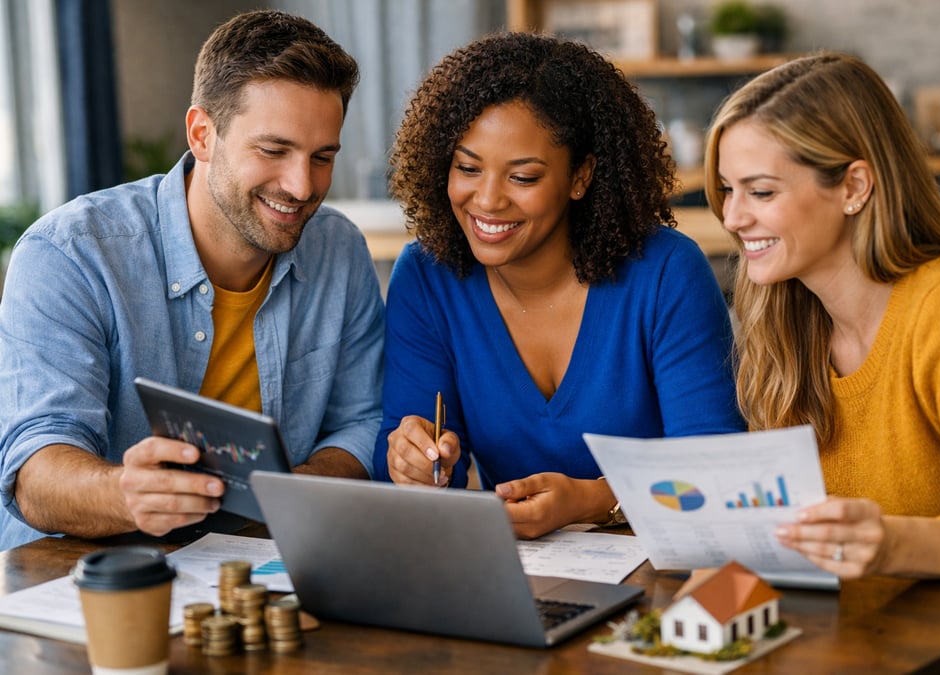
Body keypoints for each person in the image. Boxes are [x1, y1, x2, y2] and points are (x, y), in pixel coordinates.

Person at [0, 10, 385, 551]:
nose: (302, 186)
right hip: (80, 574)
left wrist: (292, 493)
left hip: (256, 563)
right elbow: (33, 470)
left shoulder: (339, 250)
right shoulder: (69, 254)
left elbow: (362, 423)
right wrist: (125, 493)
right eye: (273, 151)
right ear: (203, 134)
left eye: (322, 157)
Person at [375, 31, 744, 539]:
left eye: (522, 178)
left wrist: (596, 500)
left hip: (668, 575)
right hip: (521, 579)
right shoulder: (427, 276)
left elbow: (718, 470)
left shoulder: (666, 273)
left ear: (581, 176)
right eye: (467, 168)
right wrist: (416, 467)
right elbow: (424, 475)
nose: (486, 200)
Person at [704, 51, 940, 579]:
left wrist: (893, 544)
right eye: (728, 190)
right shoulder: (782, 313)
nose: (732, 216)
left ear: (854, 187)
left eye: (760, 191)